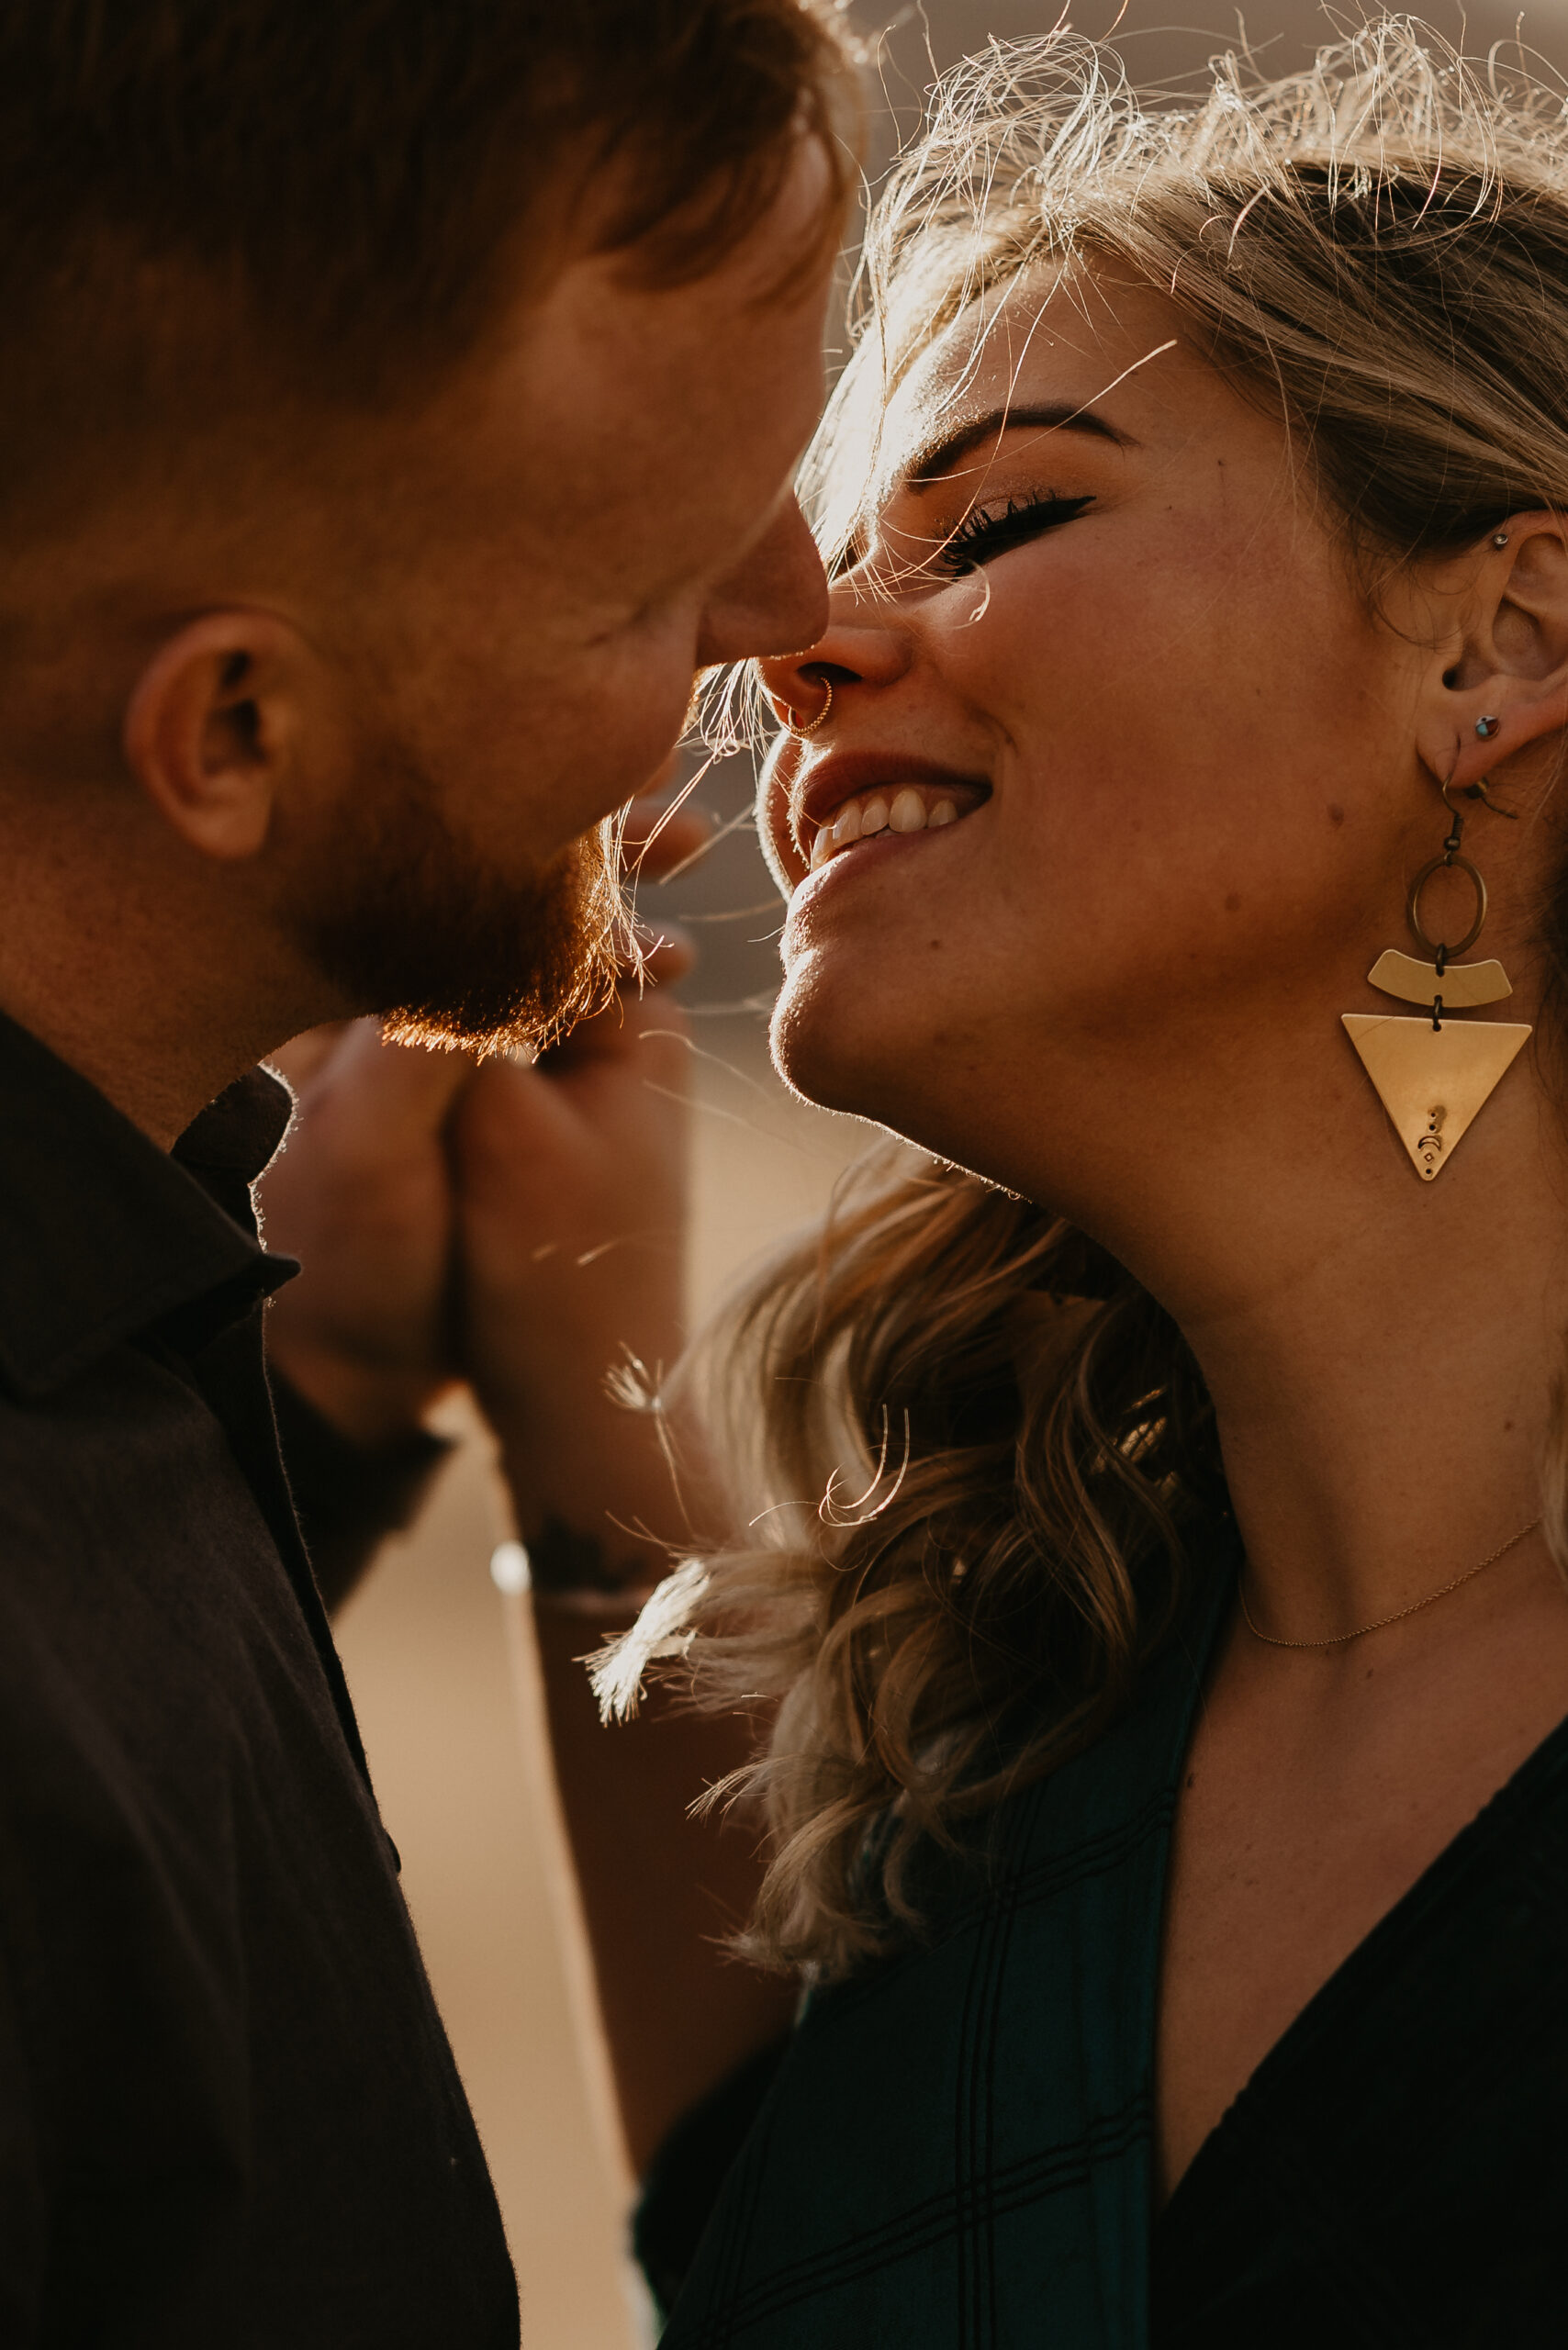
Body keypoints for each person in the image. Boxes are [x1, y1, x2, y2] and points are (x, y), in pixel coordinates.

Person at [555, 20, 1568, 2341]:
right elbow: (757, 2242)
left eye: (997, 521)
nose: (796, 652)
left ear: (1494, 640)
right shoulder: (1001, 1725)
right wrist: (548, 1380)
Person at [0, 1, 854, 2339]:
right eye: (641, 579)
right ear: (233, 730)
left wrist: (341, 1412)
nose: (792, 611)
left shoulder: (131, 1291)